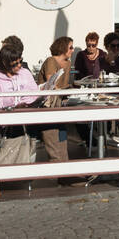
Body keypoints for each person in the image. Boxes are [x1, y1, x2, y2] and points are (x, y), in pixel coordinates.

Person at [38, 36, 74, 164]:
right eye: (70, 47)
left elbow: (65, 85)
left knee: (62, 133)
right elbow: (51, 84)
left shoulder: (68, 63)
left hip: (61, 102)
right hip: (48, 104)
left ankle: (64, 164)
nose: (72, 50)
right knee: (54, 134)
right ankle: (58, 165)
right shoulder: (51, 61)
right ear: (63, 47)